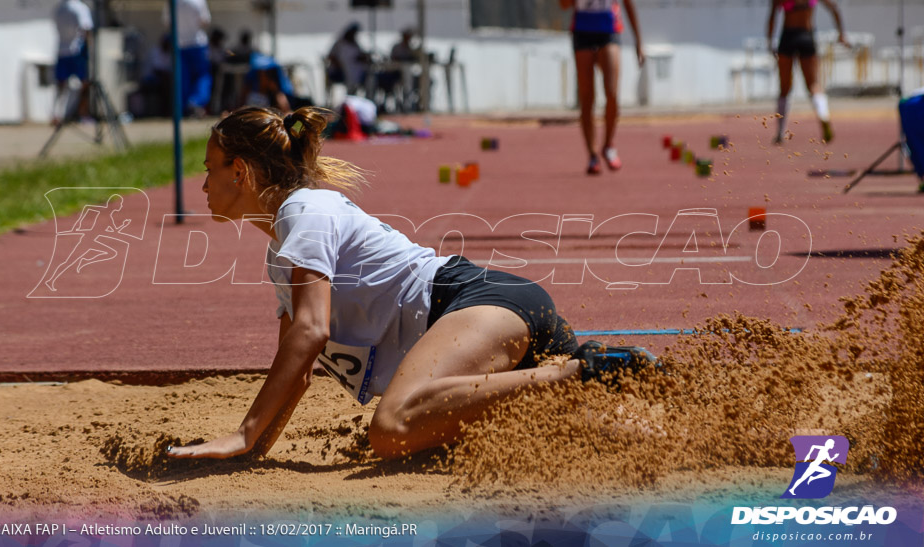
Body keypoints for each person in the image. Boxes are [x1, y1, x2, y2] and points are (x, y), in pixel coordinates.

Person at [166, 106, 657, 461]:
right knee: (616, 437)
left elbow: (311, 333)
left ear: (241, 171)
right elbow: (297, 367)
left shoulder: (303, 212)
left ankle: (576, 371)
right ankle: (635, 382)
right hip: (484, 342)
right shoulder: (284, 247)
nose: (204, 185)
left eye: (209, 169)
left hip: (476, 304)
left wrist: (243, 433)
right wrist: (249, 450)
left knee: (392, 427)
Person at [559, 0, 644, 176]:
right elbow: (563, 4)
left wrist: (639, 41)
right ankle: (592, 154)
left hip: (609, 31)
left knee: (612, 92)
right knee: (587, 97)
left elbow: (627, 1)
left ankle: (609, 144)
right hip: (583, 32)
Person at [766, 0, 848, 144]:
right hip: (806, 37)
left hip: (788, 38)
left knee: (785, 88)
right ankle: (823, 116)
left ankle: (780, 132)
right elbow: (834, 6)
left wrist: (770, 41)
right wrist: (841, 33)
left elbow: (772, 18)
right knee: (814, 85)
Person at [164, 0, 212, 117]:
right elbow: (205, 21)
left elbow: (167, 22)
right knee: (202, 75)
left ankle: (184, 107)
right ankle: (196, 102)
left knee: (182, 77)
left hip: (180, 44)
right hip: (197, 43)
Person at [52, 0, 93, 124]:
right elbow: (86, 28)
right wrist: (89, 50)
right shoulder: (80, 8)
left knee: (61, 84)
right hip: (76, 50)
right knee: (83, 83)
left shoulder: (59, 9)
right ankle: (82, 114)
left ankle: (57, 114)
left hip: (61, 49)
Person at [326, 22, 371, 96]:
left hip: (356, 71)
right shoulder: (339, 43)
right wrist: (339, 65)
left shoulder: (354, 44)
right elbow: (331, 56)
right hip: (341, 72)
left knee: (369, 78)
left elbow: (359, 56)